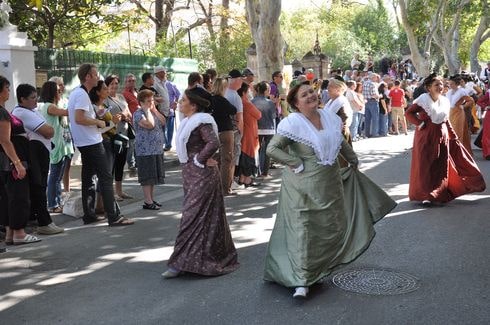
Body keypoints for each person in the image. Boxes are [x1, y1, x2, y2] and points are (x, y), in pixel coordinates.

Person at [264, 82, 396, 298]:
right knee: (303, 229)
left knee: (325, 228)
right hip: (301, 187)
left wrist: (352, 159)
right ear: (296, 103)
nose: (310, 96)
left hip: (330, 183)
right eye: (304, 94)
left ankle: (319, 269)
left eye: (312, 92)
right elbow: (272, 149)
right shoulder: (292, 123)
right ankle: (301, 280)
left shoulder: (329, 117)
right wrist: (295, 162)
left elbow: (340, 142)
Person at [163, 86, 239, 278]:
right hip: (191, 174)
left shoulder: (202, 121)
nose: (180, 103)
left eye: (183, 100)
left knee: (192, 217)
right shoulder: (190, 120)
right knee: (199, 217)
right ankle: (189, 260)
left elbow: (213, 142)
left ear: (194, 105)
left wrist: (199, 159)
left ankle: (182, 263)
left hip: (202, 174)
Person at [67, 63, 133, 226]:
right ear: (88, 77)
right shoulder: (82, 94)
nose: (98, 77)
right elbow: (79, 118)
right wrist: (99, 122)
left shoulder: (78, 93)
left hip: (85, 141)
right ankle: (114, 216)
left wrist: (100, 123)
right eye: (96, 74)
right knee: (105, 177)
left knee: (88, 178)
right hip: (92, 142)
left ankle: (89, 215)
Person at [405, 73, 485, 205]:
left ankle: (439, 193)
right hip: (426, 137)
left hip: (442, 137)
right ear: (428, 87)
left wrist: (454, 137)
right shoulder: (423, 99)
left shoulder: (445, 101)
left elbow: (446, 121)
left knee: (440, 166)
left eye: (441, 84)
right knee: (426, 166)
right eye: (436, 85)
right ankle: (426, 195)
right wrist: (419, 123)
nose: (440, 87)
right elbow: (408, 113)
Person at [12, 84, 64, 235]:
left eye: (36, 97)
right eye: (32, 98)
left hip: (41, 152)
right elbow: (48, 131)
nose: (36, 101)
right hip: (36, 153)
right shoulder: (22, 113)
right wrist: (50, 129)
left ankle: (39, 219)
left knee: (39, 186)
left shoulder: (31, 110)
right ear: (22, 99)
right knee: (39, 187)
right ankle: (44, 222)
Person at [0, 76, 41, 245]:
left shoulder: (3, 110)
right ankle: (19, 233)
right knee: (19, 196)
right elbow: (5, 140)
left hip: (8, 160)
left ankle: (11, 232)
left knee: (9, 197)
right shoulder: (1, 112)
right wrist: (17, 163)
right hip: (11, 161)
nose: (9, 91)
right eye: (7, 88)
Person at [38, 81, 74, 214]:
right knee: (54, 176)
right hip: (56, 145)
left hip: (62, 144)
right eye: (58, 91)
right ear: (52, 92)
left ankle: (57, 202)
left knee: (57, 176)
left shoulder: (55, 104)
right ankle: (52, 204)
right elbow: (66, 112)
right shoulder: (49, 106)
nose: (60, 93)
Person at [132, 89, 166, 210]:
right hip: (145, 150)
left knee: (153, 176)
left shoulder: (153, 112)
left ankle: (151, 198)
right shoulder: (138, 114)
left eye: (152, 100)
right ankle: (147, 200)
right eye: (148, 101)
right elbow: (150, 125)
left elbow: (163, 121)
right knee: (147, 176)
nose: (151, 103)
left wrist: (155, 110)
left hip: (156, 149)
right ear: (141, 102)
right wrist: (147, 111)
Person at [104, 75, 134, 200]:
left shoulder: (121, 97)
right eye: (112, 84)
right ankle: (111, 193)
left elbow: (129, 112)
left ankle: (119, 191)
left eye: (116, 83)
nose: (115, 86)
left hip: (124, 133)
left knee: (121, 163)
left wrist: (125, 116)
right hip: (112, 134)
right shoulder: (105, 99)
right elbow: (105, 116)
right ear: (107, 85)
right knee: (112, 163)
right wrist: (117, 117)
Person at [210, 77, 237, 195]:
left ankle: (215, 186)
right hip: (225, 130)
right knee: (227, 159)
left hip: (214, 130)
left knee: (216, 159)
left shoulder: (210, 100)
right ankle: (225, 188)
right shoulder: (222, 100)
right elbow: (233, 110)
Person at [237, 82, 261, 187]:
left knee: (243, 155)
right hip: (249, 133)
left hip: (243, 132)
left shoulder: (238, 102)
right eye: (248, 91)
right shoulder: (246, 103)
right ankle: (247, 179)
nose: (250, 93)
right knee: (249, 156)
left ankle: (242, 178)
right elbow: (259, 114)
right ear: (244, 92)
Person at [252, 81, 276, 178]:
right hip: (269, 128)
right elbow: (274, 116)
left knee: (257, 150)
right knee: (267, 151)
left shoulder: (253, 101)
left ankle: (256, 171)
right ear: (266, 90)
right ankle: (265, 172)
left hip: (257, 128)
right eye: (269, 89)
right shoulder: (270, 102)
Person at [446, 75, 474, 155]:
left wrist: (462, 106)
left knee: (457, 132)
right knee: (450, 132)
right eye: (450, 84)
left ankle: (458, 153)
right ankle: (455, 152)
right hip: (450, 113)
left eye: (452, 84)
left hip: (458, 113)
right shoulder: (449, 92)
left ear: (456, 84)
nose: (450, 85)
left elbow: (470, 100)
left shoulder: (462, 91)